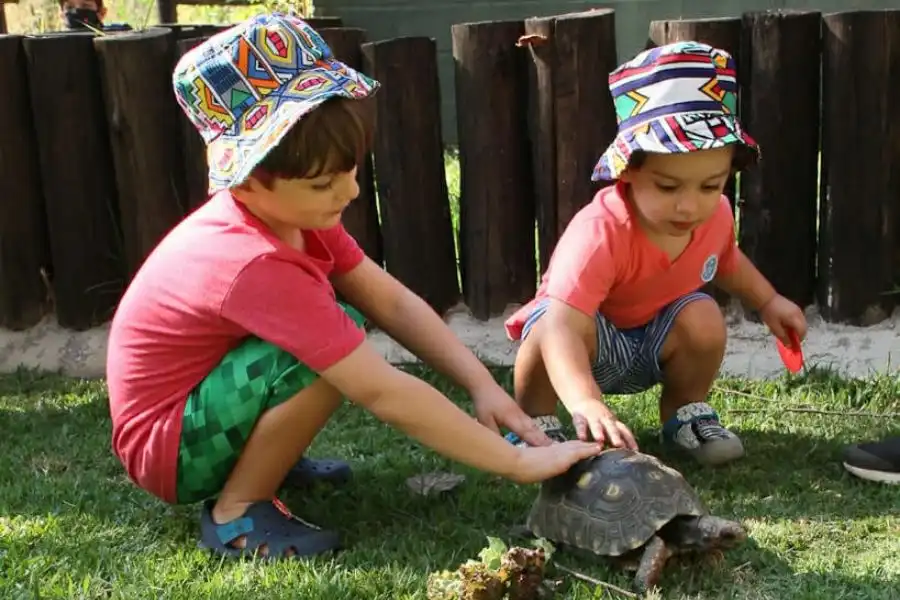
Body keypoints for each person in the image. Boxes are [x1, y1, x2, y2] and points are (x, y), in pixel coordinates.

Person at [105, 12, 603, 561]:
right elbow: (381, 389)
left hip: (201, 411)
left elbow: (387, 298)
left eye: (351, 170)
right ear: (246, 178)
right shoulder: (252, 261)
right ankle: (237, 511)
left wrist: (480, 384)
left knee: (337, 322)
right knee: (318, 351)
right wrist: (511, 461)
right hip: (168, 448)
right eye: (324, 181)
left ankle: (269, 459)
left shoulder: (294, 219)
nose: (350, 191)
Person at [503, 41, 808, 467]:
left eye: (710, 185)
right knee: (544, 328)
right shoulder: (600, 233)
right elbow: (563, 329)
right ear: (627, 170)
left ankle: (684, 416)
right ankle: (535, 423)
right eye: (668, 186)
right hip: (586, 340)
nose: (690, 206)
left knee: (702, 315)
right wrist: (587, 400)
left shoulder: (713, 216)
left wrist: (768, 301)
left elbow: (726, 259)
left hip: (654, 339)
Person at [58, 0, 131, 32]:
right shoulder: (56, 44)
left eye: (85, 6)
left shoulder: (118, 33)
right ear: (61, 15)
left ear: (102, 13)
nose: (77, 11)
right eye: (70, 7)